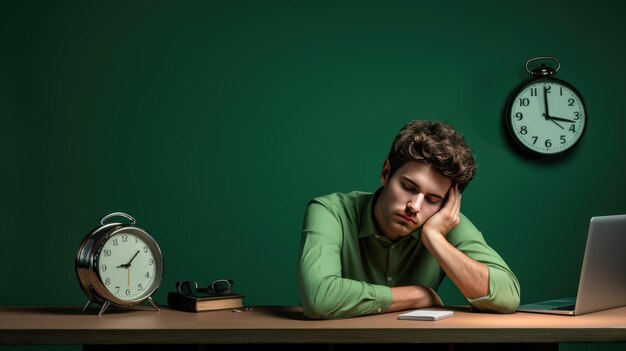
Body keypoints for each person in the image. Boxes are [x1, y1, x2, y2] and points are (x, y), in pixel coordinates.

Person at [298, 119, 520, 319]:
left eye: (432, 199)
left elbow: (507, 295)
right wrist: (417, 295)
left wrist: (434, 238)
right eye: (408, 187)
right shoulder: (330, 211)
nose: (415, 206)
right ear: (386, 173)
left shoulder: (445, 223)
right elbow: (319, 299)